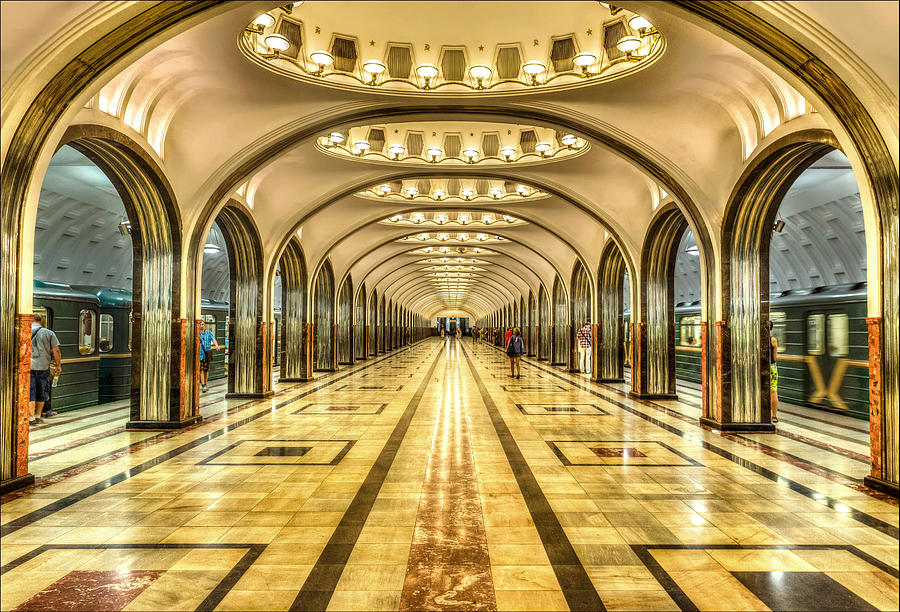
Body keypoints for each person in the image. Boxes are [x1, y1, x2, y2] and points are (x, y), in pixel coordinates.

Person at [30, 313, 61, 425]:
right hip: (43, 367)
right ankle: (38, 416)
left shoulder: (24, 331)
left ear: (30, 320)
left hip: (28, 368)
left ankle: (31, 418)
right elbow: (56, 351)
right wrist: (58, 365)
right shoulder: (49, 333)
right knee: (42, 392)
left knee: (30, 393)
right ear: (41, 321)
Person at [198, 319, 221, 392]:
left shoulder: (209, 333)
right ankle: (203, 385)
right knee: (201, 369)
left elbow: (213, 339)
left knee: (206, 370)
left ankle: (205, 383)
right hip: (200, 354)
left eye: (203, 324)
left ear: (205, 325)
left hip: (207, 354)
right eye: (200, 324)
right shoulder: (197, 334)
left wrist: (217, 345)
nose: (201, 326)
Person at [769, 320, 779, 423]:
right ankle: (774, 416)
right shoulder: (773, 340)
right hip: (772, 367)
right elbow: (775, 357)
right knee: (774, 392)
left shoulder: (759, 339)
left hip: (761, 367)